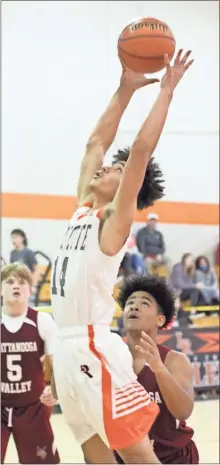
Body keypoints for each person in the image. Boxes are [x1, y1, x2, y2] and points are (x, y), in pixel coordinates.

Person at [51, 49, 194, 464]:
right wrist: (125, 89)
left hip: (94, 349)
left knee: (137, 457)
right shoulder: (82, 208)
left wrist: (165, 90)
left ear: (125, 188)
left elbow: (140, 151)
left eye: (115, 169)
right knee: (97, 458)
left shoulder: (113, 222)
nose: (104, 168)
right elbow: (96, 141)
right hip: (67, 351)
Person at [114, 275, 199, 464]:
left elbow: (183, 411)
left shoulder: (174, 360)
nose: (134, 307)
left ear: (160, 320)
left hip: (174, 458)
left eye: (144, 303)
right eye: (130, 303)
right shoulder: (111, 359)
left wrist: (159, 369)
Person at [1, 263, 60, 464]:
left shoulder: (42, 321)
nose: (16, 286)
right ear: (1, 288)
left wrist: (54, 388)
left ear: (30, 289)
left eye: (22, 282)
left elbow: (57, 362)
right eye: (10, 282)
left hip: (32, 406)